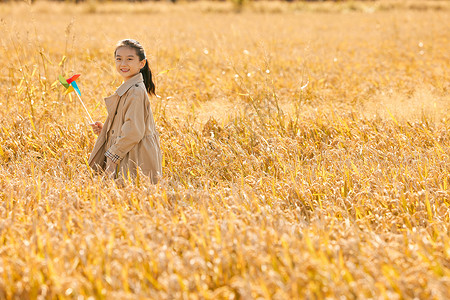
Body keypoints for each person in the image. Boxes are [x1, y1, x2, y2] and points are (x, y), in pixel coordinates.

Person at [88, 39, 162, 184]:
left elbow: (134, 130)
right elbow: (129, 124)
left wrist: (112, 155)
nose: (123, 64)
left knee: (132, 197)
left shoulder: (134, 91)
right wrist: (107, 130)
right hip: (128, 151)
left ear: (142, 63)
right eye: (119, 59)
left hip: (135, 156)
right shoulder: (129, 89)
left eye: (129, 59)